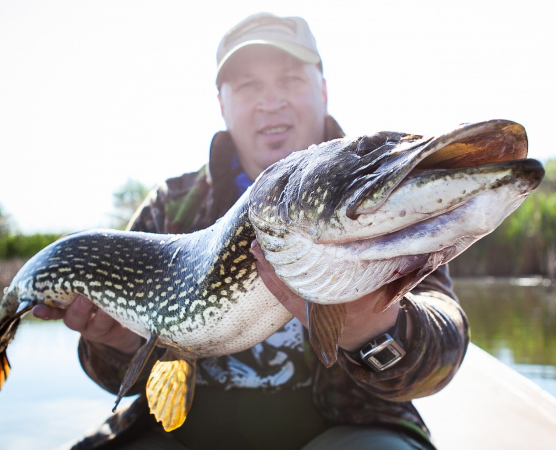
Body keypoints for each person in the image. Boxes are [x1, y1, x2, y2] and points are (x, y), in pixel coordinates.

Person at [34, 12, 468, 450]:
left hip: (349, 428)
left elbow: (443, 354)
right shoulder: (170, 207)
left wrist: (373, 330)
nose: (271, 101)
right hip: (185, 435)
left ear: (322, 90)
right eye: (248, 85)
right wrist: (118, 343)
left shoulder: (375, 193)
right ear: (222, 104)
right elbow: (117, 383)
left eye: (290, 79)